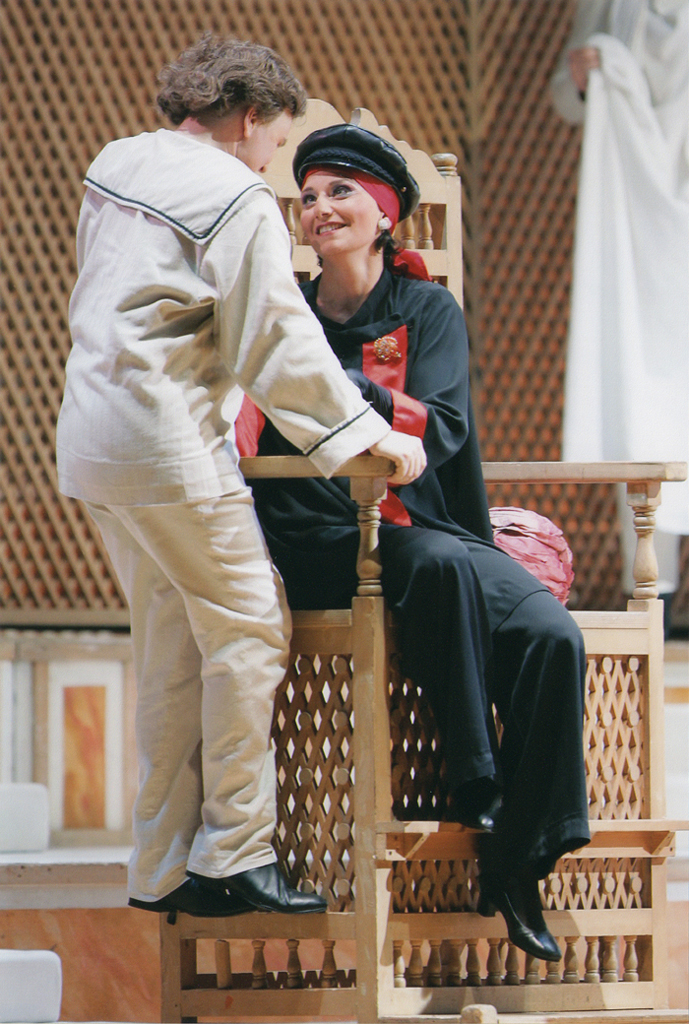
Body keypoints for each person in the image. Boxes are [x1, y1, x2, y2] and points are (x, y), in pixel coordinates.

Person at [55, 36, 426, 920]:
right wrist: (366, 438)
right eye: (278, 144)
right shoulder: (234, 194)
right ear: (252, 117)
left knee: (173, 645)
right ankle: (237, 851)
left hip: (91, 439)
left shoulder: (117, 162)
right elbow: (274, 344)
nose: (280, 169)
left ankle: (160, 863)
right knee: (254, 626)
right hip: (166, 443)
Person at [239, 123, 591, 962]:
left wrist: (335, 388)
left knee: (551, 636)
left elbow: (440, 425)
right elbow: (261, 418)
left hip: (421, 520)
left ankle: (520, 856)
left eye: (339, 193)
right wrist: (344, 397)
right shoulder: (283, 311)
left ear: (384, 212)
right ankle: (476, 780)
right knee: (433, 565)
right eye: (310, 195)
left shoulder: (425, 309)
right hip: (321, 529)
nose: (319, 208)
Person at [551, 0, 689, 621]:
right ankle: (652, 589)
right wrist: (585, 78)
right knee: (635, 386)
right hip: (633, 211)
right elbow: (563, 91)